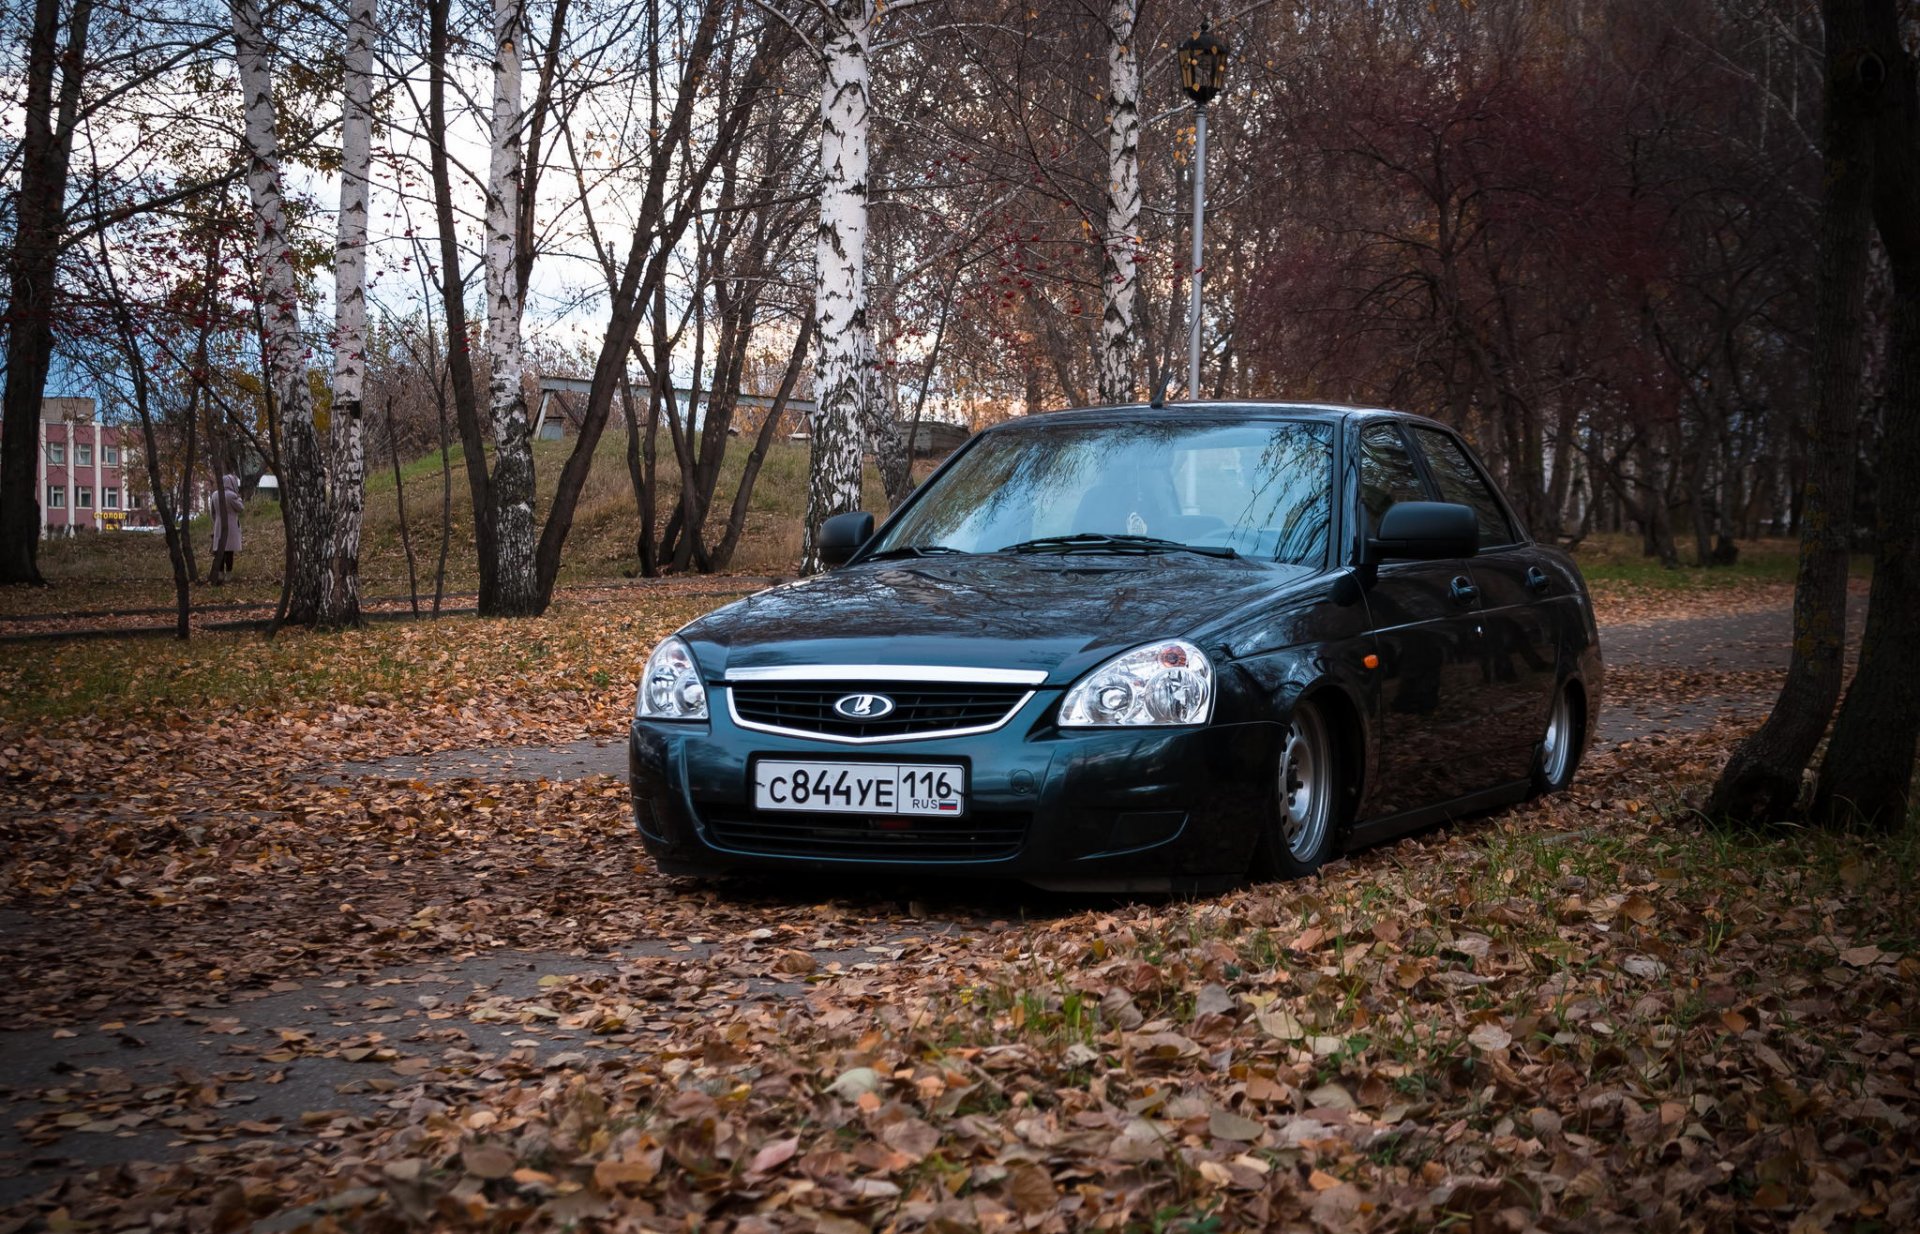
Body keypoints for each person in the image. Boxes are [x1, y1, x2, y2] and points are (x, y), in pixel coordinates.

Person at [210, 473, 243, 584]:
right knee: (229, 551)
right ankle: (228, 574)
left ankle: (220, 573)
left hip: (218, 525)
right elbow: (240, 508)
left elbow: (212, 512)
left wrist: (216, 522)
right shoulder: (232, 495)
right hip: (232, 525)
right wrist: (239, 498)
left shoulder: (214, 495)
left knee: (220, 551)